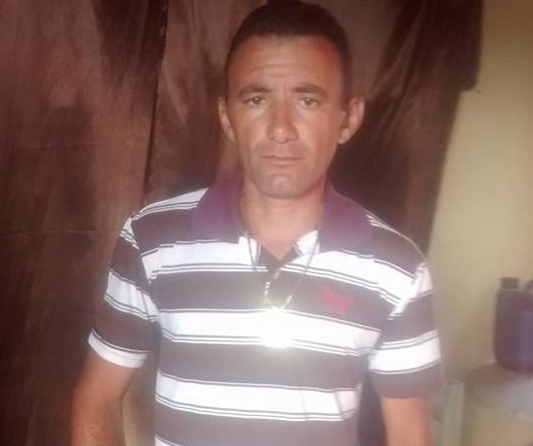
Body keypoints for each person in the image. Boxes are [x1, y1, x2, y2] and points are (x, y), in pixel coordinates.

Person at [71, 1, 442, 445]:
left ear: (348, 118)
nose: (280, 128)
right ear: (227, 117)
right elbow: (97, 398)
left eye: (307, 100)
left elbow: (410, 434)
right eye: (255, 99)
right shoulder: (151, 239)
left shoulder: (399, 267)